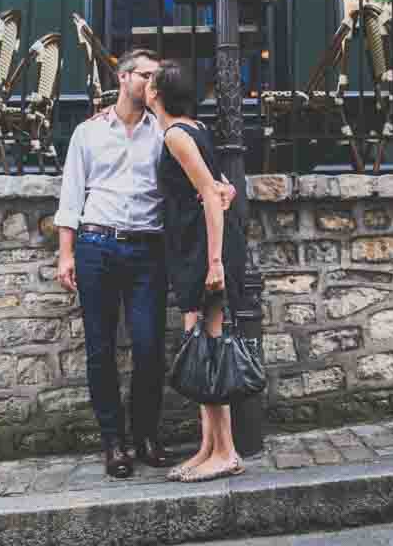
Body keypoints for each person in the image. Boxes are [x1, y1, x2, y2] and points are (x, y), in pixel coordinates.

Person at [55, 48, 234, 479]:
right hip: (96, 245)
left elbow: (207, 180)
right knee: (100, 349)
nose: (154, 83)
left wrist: (223, 190)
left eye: (157, 76)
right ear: (124, 78)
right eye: (147, 75)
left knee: (149, 347)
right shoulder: (88, 132)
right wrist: (66, 253)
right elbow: (71, 196)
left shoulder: (166, 130)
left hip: (147, 249)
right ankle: (113, 443)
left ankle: (146, 436)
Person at [146, 60, 247, 482]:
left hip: (203, 249)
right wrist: (224, 189)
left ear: (156, 93)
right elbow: (220, 184)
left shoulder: (176, 135)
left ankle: (227, 451)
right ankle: (208, 446)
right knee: (202, 348)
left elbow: (208, 193)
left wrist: (215, 262)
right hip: (191, 247)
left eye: (150, 81)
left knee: (210, 349)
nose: (145, 84)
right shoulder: (193, 128)